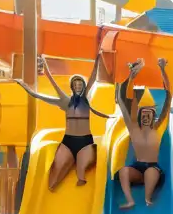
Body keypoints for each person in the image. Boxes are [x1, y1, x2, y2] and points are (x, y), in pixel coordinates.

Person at [15, 53, 109, 190]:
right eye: (75, 84)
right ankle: (60, 178)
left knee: (82, 172)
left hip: (85, 140)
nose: (78, 87)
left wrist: (98, 60)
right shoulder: (66, 102)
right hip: (68, 141)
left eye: (80, 84)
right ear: (72, 87)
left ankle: (80, 173)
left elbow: (93, 77)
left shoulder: (85, 100)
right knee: (54, 176)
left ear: (83, 86)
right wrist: (25, 87)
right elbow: (42, 93)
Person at [116, 58, 172, 209]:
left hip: (153, 168)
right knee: (123, 171)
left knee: (150, 172)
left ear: (154, 116)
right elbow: (121, 101)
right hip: (136, 168)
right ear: (140, 116)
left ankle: (148, 198)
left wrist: (162, 70)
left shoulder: (157, 127)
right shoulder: (134, 129)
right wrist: (130, 77)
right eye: (144, 113)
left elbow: (169, 97)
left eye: (150, 114)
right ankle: (130, 200)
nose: (147, 116)